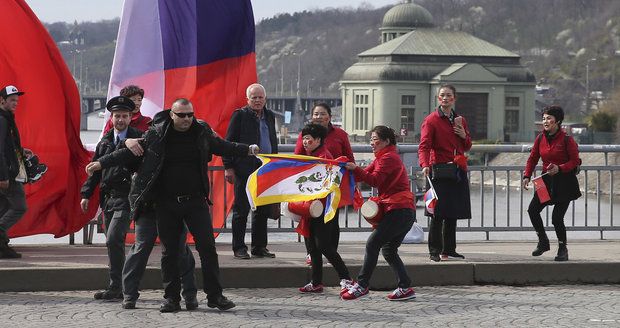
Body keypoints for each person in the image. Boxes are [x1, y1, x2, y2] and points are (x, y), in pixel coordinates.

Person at [86, 98, 259, 313]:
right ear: (172, 115)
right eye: (182, 115)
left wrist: (249, 150)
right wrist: (101, 163)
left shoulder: (201, 131)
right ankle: (171, 299)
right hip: (165, 203)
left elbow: (223, 146)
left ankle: (215, 296)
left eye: (190, 114)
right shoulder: (157, 134)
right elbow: (128, 153)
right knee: (169, 253)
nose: (187, 119)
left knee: (207, 248)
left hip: (195, 201)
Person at [342, 126, 416, 301]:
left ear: (386, 141)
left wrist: (354, 169)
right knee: (389, 250)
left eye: (374, 139)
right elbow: (363, 175)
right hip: (403, 211)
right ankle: (405, 287)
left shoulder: (388, 158)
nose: (371, 143)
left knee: (373, 244)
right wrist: (345, 168)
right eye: (371, 140)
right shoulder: (383, 157)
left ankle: (362, 285)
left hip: (399, 210)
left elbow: (374, 180)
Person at [80, 96, 143, 300]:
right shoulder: (106, 140)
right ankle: (116, 286)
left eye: (124, 116)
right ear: (112, 117)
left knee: (114, 237)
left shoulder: (138, 138)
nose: (120, 120)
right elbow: (95, 170)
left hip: (127, 196)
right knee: (112, 242)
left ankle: (125, 285)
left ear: (130, 117)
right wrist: (86, 194)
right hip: (108, 197)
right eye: (117, 116)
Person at [295, 123, 353, 295]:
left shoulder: (323, 158)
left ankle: (347, 278)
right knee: (312, 246)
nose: (305, 142)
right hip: (311, 207)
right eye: (304, 138)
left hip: (322, 207)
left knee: (324, 246)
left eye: (308, 139)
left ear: (318, 140)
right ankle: (316, 282)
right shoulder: (310, 156)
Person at [223, 83, 278, 260]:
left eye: (260, 97)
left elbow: (273, 140)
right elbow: (228, 143)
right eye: (254, 97)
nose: (257, 100)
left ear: (265, 99)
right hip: (244, 169)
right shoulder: (239, 115)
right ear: (248, 99)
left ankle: (259, 247)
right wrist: (228, 167)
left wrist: (275, 164)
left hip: (265, 169)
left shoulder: (269, 115)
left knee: (262, 209)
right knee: (241, 210)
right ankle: (239, 247)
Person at [418, 84, 472, 262]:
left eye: (449, 95)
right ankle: (435, 250)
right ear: (438, 98)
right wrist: (425, 165)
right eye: (442, 95)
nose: (445, 98)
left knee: (453, 211)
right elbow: (424, 146)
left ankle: (449, 249)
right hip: (439, 169)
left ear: (454, 98)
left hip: (457, 169)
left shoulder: (459, 120)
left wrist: (464, 135)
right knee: (437, 212)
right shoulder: (431, 120)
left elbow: (467, 146)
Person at [522, 105, 581, 262]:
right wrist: (526, 175)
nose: (545, 121)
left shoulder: (567, 140)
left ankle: (563, 248)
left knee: (556, 218)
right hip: (545, 180)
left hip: (565, 181)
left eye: (549, 118)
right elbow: (533, 158)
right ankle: (543, 242)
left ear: (558, 121)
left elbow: (575, 161)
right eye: (543, 118)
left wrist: (560, 168)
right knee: (532, 210)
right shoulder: (540, 138)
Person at [0, 85, 29, 259]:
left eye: (17, 100)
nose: (15, 103)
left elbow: (7, 145)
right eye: (12, 99)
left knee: (3, 208)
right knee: (19, 207)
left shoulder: (7, 118)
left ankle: (2, 247)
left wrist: (21, 150)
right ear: (2, 100)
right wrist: (3, 177)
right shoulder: (3, 119)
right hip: (7, 174)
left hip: (8, 170)